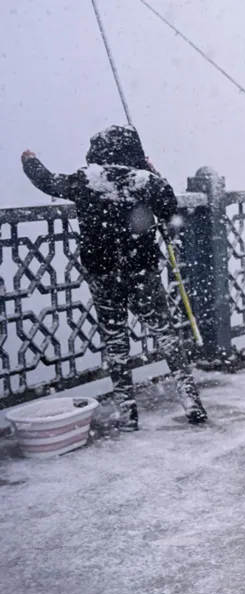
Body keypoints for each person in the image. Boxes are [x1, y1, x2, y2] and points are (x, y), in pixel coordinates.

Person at [20, 126, 206, 431]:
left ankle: (127, 412)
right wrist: (151, 169)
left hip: (103, 274)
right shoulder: (147, 181)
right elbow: (171, 212)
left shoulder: (86, 180)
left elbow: (48, 182)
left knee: (116, 342)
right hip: (142, 271)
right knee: (166, 335)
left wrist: (30, 161)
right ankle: (191, 401)